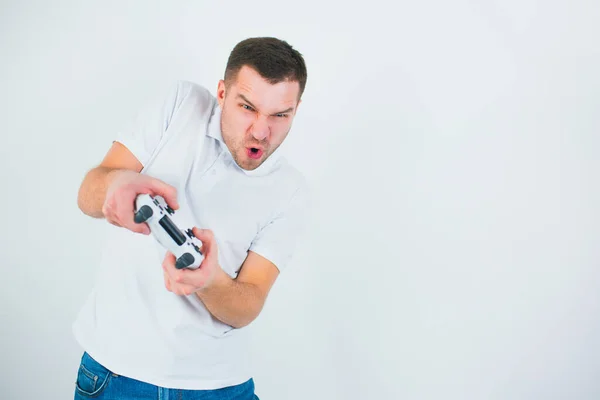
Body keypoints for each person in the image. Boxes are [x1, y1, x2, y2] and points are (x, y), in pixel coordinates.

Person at [71, 37, 310, 400]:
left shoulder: (291, 189)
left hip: (222, 387)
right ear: (222, 92)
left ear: (296, 109)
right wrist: (117, 185)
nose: (262, 131)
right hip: (117, 375)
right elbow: (88, 193)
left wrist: (207, 280)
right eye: (247, 107)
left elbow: (248, 303)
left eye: (280, 115)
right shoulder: (180, 104)